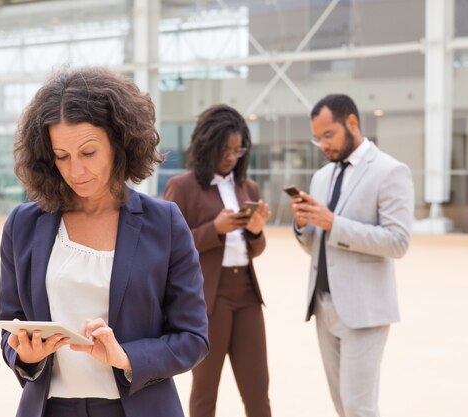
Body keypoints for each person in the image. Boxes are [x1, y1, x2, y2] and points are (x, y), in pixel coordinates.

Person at [0, 67, 209, 417]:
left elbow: (193, 338)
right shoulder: (23, 225)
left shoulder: (165, 223)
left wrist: (125, 356)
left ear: (119, 142)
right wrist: (24, 354)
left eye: (89, 152)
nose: (75, 170)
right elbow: (11, 324)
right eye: (61, 156)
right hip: (50, 410)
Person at [290, 94, 414, 417]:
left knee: (359, 407)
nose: (323, 145)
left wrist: (333, 223)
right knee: (341, 404)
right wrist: (304, 225)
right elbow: (316, 246)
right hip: (323, 306)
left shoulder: (390, 171)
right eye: (317, 138)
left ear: (353, 123)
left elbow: (398, 242)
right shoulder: (321, 177)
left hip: (365, 310)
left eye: (328, 135)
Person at [163, 104, 272, 417]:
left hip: (248, 295)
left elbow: (257, 248)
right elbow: (169, 250)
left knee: (258, 389)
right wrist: (216, 229)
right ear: (206, 145)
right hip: (209, 299)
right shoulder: (182, 187)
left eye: (238, 150)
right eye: (225, 149)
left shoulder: (247, 187)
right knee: (205, 392)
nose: (232, 157)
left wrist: (254, 233)